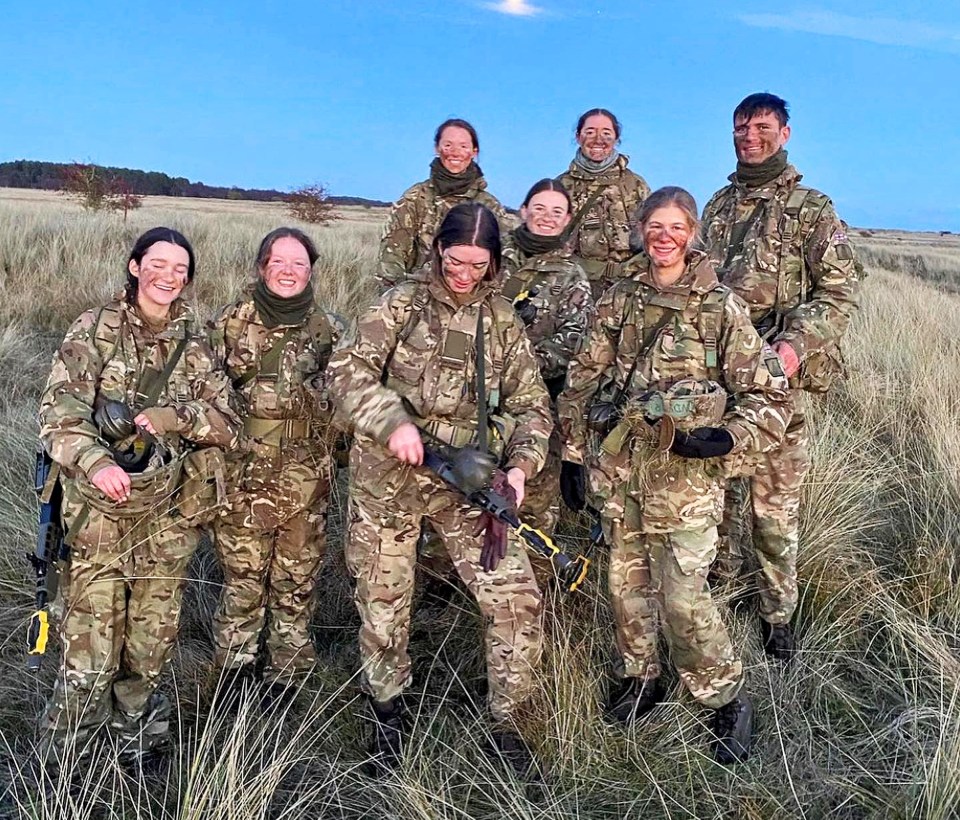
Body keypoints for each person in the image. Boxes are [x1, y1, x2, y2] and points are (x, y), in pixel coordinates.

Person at [557, 187, 792, 764]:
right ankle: (642, 678)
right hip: (622, 471)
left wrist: (729, 437)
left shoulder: (721, 307)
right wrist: (569, 452)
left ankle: (725, 697)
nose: (664, 237)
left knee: (684, 597)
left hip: (687, 482)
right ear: (641, 229)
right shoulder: (619, 299)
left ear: (692, 234)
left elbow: (769, 397)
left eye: (676, 227)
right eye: (654, 226)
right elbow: (584, 377)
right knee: (626, 585)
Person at [328, 202, 552, 776]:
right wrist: (392, 423)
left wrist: (521, 466)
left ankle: (509, 719)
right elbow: (346, 373)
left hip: (468, 486)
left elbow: (532, 405)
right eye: (456, 260)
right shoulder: (398, 305)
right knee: (384, 603)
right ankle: (387, 710)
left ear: (495, 263)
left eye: (480, 265)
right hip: (388, 482)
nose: (465, 274)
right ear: (437, 251)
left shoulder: (502, 321)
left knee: (515, 598)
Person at [37, 227, 240, 762]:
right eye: (157, 263)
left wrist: (174, 417)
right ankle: (64, 762)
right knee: (90, 650)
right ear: (134, 267)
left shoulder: (197, 346)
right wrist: (96, 460)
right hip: (100, 517)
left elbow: (228, 424)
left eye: (179, 269)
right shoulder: (95, 330)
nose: (167, 276)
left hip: (168, 517)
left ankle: (135, 743)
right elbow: (58, 415)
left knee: (150, 646)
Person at [700, 93, 863, 660]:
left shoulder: (812, 208)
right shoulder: (717, 207)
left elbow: (839, 292)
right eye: (741, 126)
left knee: (773, 506)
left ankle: (776, 615)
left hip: (781, 387)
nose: (750, 136)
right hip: (719, 383)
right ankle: (716, 597)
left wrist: (791, 350)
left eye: (762, 127)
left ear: (785, 133)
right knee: (711, 496)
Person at [207, 228, 345, 699]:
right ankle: (233, 670)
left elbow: (349, 405)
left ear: (311, 271)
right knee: (243, 578)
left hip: (307, 477)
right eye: (279, 262)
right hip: (243, 472)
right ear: (262, 266)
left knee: (297, 578)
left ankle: (288, 672)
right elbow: (201, 394)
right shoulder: (229, 323)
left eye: (299, 264)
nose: (289, 272)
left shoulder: (330, 329)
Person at [500, 178, 593, 577]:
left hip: (539, 401)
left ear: (568, 219)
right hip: (473, 396)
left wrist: (518, 365)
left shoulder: (572, 276)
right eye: (539, 208)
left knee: (533, 498)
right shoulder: (493, 258)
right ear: (524, 210)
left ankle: (534, 582)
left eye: (557, 211)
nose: (546, 217)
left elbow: (574, 340)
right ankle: (446, 589)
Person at [378, 118, 513, 290]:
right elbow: (391, 259)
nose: (455, 152)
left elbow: (504, 260)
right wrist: (398, 299)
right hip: (421, 297)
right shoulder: (415, 198)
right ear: (437, 148)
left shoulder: (490, 206)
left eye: (463, 146)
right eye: (448, 145)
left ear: (474, 151)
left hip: (472, 300)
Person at [557, 108, 651, 299]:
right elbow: (550, 244)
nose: (598, 139)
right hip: (578, 290)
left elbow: (653, 237)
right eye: (590, 132)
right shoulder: (561, 187)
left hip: (630, 289)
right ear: (578, 137)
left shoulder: (636, 185)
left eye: (606, 133)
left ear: (616, 139)